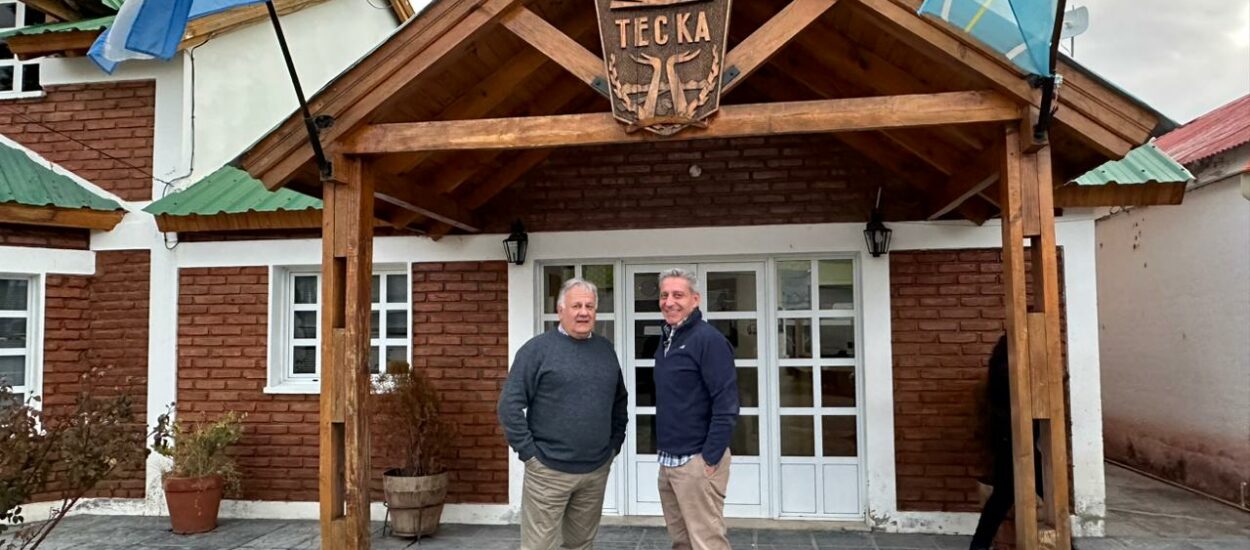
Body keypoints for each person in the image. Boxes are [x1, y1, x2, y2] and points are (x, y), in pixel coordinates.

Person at [498, 278, 628, 550]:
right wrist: (529, 454)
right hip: (547, 471)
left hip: (595, 470)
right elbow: (509, 405)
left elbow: (620, 402)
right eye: (576, 305)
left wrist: (613, 446)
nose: (583, 312)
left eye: (589, 306)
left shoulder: (605, 350)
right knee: (539, 546)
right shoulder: (537, 350)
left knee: (581, 545)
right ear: (560, 311)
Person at [653, 268, 739, 550]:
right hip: (669, 460)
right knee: (682, 542)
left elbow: (725, 405)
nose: (669, 301)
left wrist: (710, 459)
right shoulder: (668, 339)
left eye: (678, 295)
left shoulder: (708, 340)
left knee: (707, 543)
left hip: (697, 462)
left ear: (695, 299)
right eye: (664, 295)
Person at [970, 334, 1043, 550]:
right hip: (1011, 433)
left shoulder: (1008, 352)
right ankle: (979, 545)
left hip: (1013, 433)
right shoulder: (1010, 358)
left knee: (1005, 494)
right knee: (1008, 493)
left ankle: (979, 545)